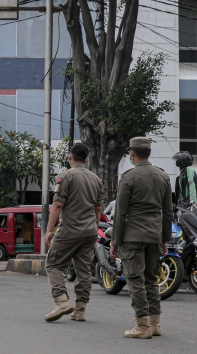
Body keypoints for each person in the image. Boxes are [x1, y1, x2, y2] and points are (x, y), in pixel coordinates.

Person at [111, 137, 173, 339]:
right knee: (151, 279)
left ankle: (142, 325)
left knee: (135, 279)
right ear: (149, 153)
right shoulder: (163, 176)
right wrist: (165, 238)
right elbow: (168, 212)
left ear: (132, 153)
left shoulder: (128, 177)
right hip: (154, 235)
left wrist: (115, 242)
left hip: (133, 236)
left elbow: (120, 213)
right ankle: (155, 323)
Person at [44, 142, 103, 322]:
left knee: (53, 264)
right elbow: (98, 209)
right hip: (90, 230)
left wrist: (49, 230)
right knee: (84, 270)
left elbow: (58, 204)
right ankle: (80, 310)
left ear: (70, 156)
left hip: (70, 229)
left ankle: (62, 301)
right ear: (86, 159)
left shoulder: (65, 176)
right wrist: (93, 227)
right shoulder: (96, 179)